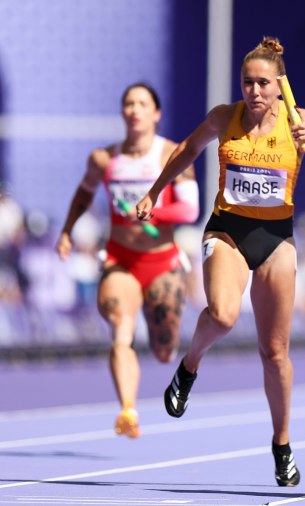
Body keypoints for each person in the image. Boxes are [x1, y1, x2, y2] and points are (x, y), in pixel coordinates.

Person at [135, 37, 305, 486]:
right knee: (222, 314)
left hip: (276, 237)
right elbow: (186, 150)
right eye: (247, 83)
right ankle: (190, 365)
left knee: (274, 353)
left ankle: (282, 444)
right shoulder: (225, 117)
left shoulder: (300, 120)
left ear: (279, 86)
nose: (253, 92)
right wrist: (154, 192)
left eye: (262, 84)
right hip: (228, 229)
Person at [56, 83, 199, 438]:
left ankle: (163, 350)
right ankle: (128, 411)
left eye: (142, 103)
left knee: (165, 351)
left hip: (162, 261)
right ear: (123, 112)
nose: (135, 109)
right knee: (121, 328)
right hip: (120, 260)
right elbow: (83, 194)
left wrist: (154, 210)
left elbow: (191, 209)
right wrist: (67, 231)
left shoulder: (172, 154)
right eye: (128, 104)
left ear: (156, 113)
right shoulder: (104, 160)